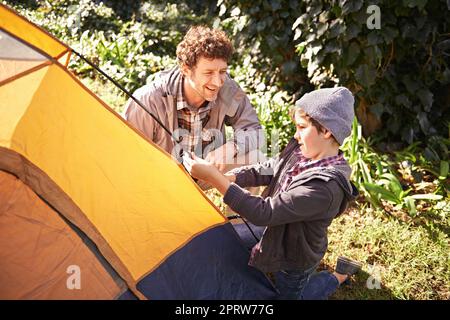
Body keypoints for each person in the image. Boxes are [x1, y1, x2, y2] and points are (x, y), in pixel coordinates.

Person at [183, 87, 362, 299]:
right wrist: (232, 177)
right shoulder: (303, 149)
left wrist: (216, 178)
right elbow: (271, 167)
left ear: (326, 131)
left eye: (302, 127)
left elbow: (264, 212)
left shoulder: (324, 188)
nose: (296, 134)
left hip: (293, 256)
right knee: (221, 239)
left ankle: (336, 277)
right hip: (273, 230)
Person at [123, 25, 264, 172]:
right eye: (208, 73)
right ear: (186, 69)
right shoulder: (147, 100)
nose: (217, 82)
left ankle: (231, 196)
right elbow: (129, 156)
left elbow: (254, 130)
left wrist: (232, 147)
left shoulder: (228, 90)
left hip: (204, 172)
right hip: (159, 178)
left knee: (255, 158)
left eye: (222, 71)